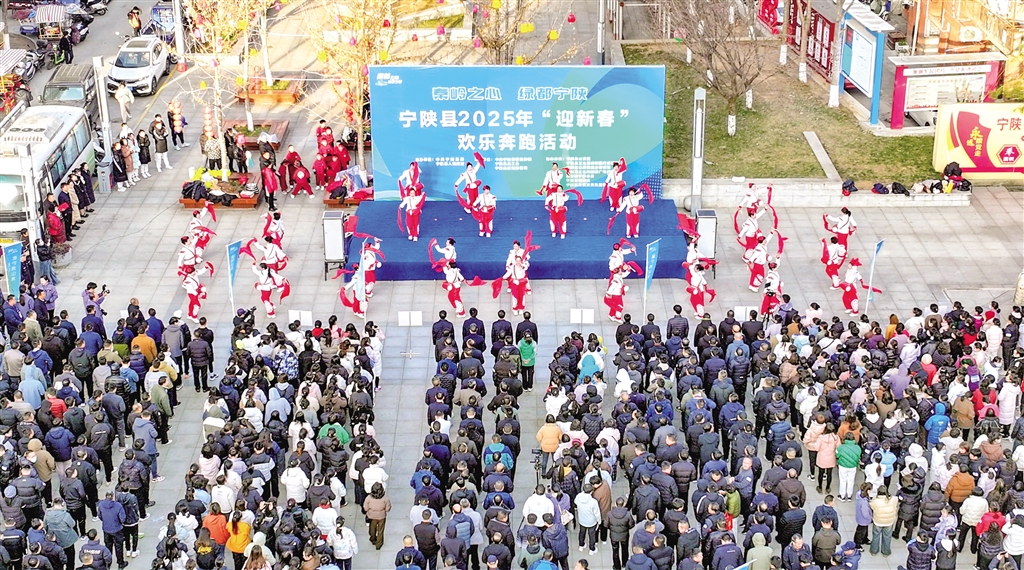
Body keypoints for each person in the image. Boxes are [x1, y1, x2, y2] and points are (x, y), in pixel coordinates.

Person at [364, 482, 391, 550]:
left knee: (372, 528)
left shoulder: (368, 498)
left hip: (371, 516)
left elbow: (365, 508)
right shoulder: (385, 499)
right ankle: (379, 544)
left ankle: (373, 539)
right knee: (380, 530)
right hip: (381, 516)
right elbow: (387, 509)